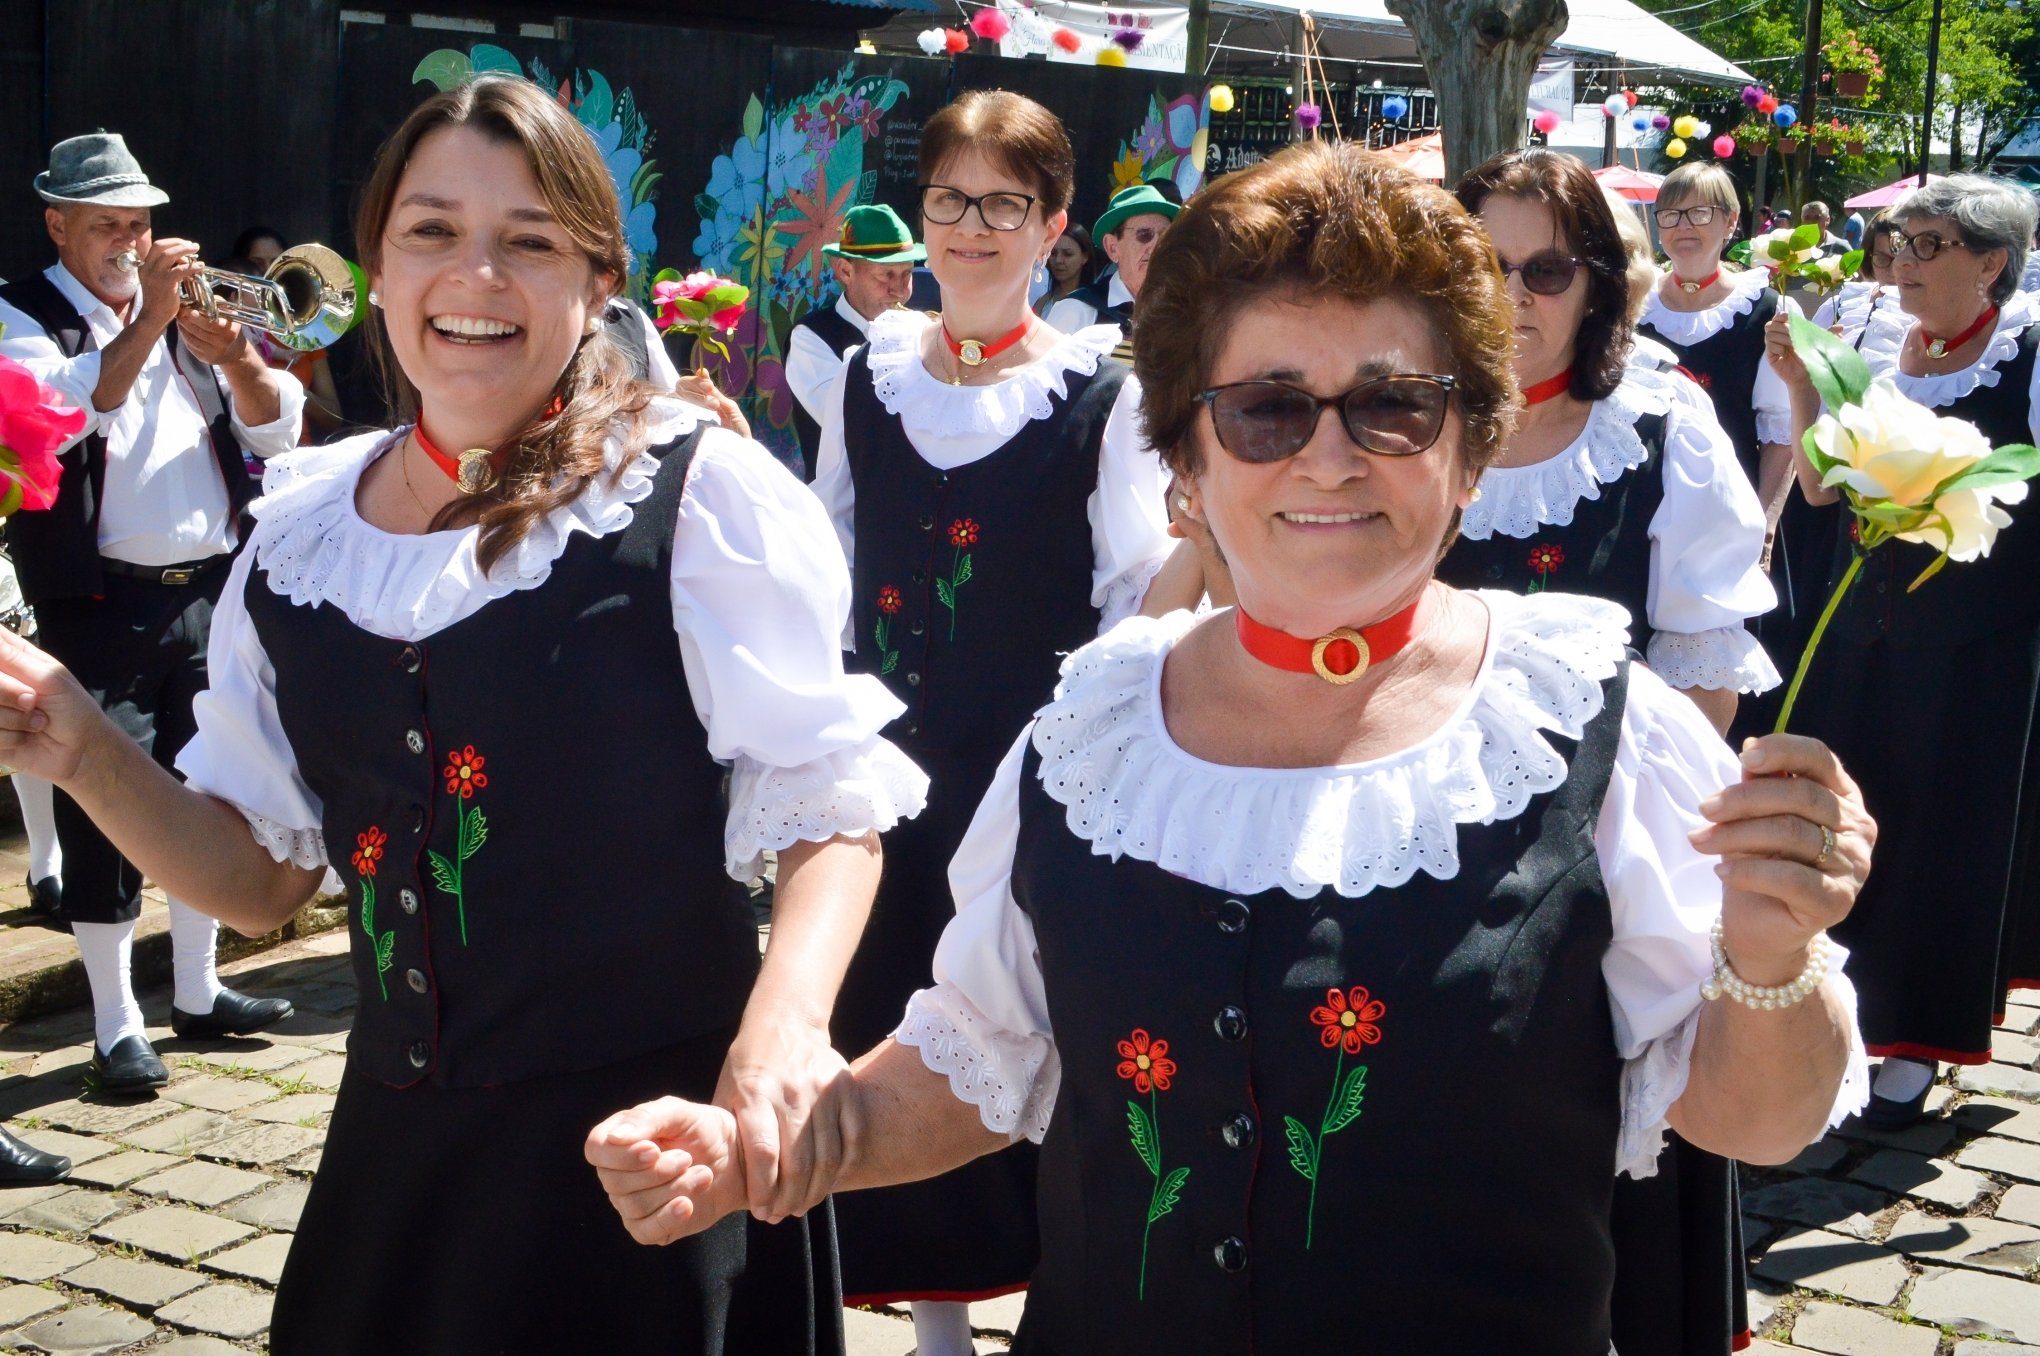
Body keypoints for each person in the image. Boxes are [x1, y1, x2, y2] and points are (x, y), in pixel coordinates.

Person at [591, 141, 1874, 1352]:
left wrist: (1772, 958)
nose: (1327, 453)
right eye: (1265, 410)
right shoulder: (1091, 730)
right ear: (1188, 464)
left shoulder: (1591, 725)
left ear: (1470, 451)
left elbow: (1753, 1120)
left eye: (1393, 407)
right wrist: (784, 1142)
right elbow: (980, 1059)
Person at [0, 77, 927, 1351]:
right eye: (431, 230)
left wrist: (777, 1041)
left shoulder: (694, 502)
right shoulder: (300, 541)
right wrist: (80, 746)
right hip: (405, 1163)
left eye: (530, 240)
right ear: (376, 265)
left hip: (658, 1160)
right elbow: (263, 881)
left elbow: (832, 811)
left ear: (598, 281)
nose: (475, 274)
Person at [807, 89, 1175, 1356]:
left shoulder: (1100, 399)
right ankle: (938, 1317)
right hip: (894, 773)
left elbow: (1135, 604)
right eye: (952, 201)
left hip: (1033, 771)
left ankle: (1066, 1286)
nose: (973, 228)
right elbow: (833, 562)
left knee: (1047, 1029)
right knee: (904, 1015)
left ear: (1053, 225)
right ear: (923, 218)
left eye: (1004, 205)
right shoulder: (866, 376)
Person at [1448, 147, 1780, 1356]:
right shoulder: (1397, 405)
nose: (1512, 298)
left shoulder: (1657, 418)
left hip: (1597, 853)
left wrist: (1636, 871)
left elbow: (1701, 670)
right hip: (1421, 839)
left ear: (1597, 282)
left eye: (1544, 269)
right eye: (1481, 267)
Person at [0, 133, 300, 1095]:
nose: (129, 242)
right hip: (100, 601)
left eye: (139, 224)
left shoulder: (190, 314)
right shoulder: (23, 313)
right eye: (107, 226)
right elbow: (70, 408)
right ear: (59, 225)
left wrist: (236, 356)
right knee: (107, 814)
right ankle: (114, 1023)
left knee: (214, 788)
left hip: (211, 592)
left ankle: (201, 992)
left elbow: (274, 427)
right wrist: (154, 321)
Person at [1768, 174, 2040, 1128]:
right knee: (1852, 815)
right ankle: (1836, 1006)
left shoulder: (2028, 355)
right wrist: (1804, 386)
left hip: (1975, 649)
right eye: (1900, 239)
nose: (1902, 260)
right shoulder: (1879, 346)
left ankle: (1921, 1035)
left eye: (1929, 245)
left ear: (1991, 263)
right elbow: (1815, 491)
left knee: (1940, 834)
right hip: (1863, 631)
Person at [1640, 162, 1808, 734]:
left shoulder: (1765, 311)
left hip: (1731, 520)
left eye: (1700, 212)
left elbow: (1780, 436)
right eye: (1671, 213)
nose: (1683, 225)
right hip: (1647, 511)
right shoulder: (1636, 304)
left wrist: (1761, 527)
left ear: (1731, 221)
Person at [785, 204, 921, 482]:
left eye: (907, 274)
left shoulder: (918, 328)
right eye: (886, 275)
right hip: (838, 515)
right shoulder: (809, 337)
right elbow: (856, 426)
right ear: (846, 272)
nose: (899, 289)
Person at [226, 226, 347, 445]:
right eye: (256, 263)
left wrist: (296, 394)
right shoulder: (231, 327)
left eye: (275, 263)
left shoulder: (305, 329)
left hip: (302, 452)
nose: (267, 273)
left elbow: (334, 419)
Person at [1044, 183, 1179, 335]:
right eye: (1144, 234)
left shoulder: (1182, 313)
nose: (1156, 246)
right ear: (1112, 248)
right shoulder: (1076, 311)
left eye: (1165, 236)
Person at [1811, 212, 1904, 348]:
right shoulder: (1839, 306)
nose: (1893, 271)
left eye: (1902, 260)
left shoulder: (1927, 319)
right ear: (1869, 257)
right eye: (1882, 259)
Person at [1032, 223, 1094, 320]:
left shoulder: (1095, 303)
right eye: (1053, 253)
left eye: (1068, 254)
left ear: (1085, 257)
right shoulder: (1044, 302)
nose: (1058, 260)